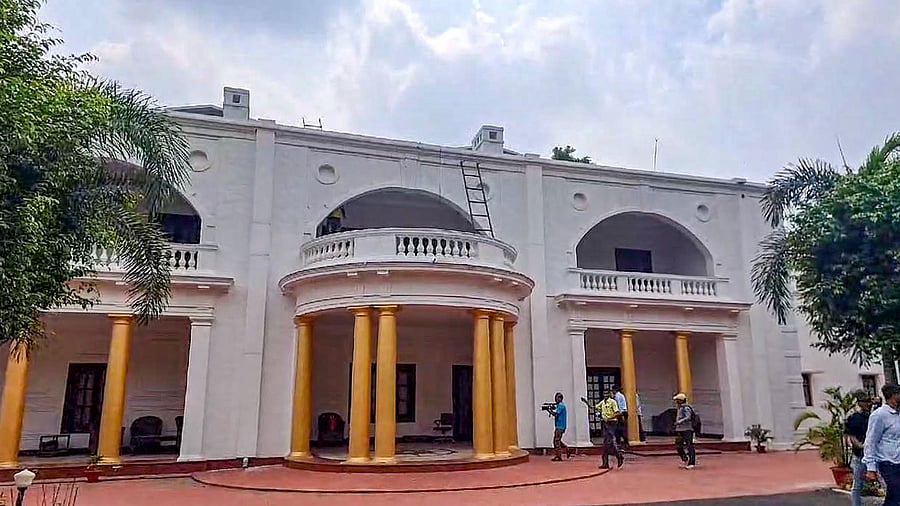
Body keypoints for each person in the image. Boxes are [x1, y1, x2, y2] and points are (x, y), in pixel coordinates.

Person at [864, 383, 900, 505]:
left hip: (899, 461)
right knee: (895, 495)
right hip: (887, 463)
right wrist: (871, 468)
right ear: (893, 396)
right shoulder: (879, 415)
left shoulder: (898, 414)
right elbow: (870, 441)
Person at [846, 389, 873, 506]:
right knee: (857, 485)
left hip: (875, 454)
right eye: (865, 401)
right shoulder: (854, 418)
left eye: (869, 401)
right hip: (860, 455)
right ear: (859, 403)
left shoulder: (874, 416)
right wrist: (861, 446)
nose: (868, 404)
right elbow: (851, 437)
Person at [595, 389, 625, 469]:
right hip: (605, 423)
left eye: (606, 393)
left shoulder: (612, 402)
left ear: (609, 394)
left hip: (612, 423)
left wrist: (609, 418)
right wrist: (586, 403)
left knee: (609, 442)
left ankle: (618, 456)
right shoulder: (602, 402)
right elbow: (595, 407)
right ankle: (606, 462)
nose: (605, 395)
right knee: (606, 443)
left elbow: (618, 413)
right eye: (604, 393)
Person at [673, 393, 696, 469]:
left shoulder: (686, 408)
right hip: (680, 429)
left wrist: (679, 421)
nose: (676, 401)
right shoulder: (680, 408)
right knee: (678, 445)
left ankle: (691, 462)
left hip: (687, 429)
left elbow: (688, 417)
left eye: (677, 400)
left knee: (689, 445)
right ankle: (685, 458)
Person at [548, 392, 573, 461]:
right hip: (560, 425)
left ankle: (558, 456)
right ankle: (567, 449)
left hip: (560, 426)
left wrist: (549, 410)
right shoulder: (560, 405)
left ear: (560, 398)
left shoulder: (561, 406)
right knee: (557, 440)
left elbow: (556, 414)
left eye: (557, 398)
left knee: (556, 441)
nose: (556, 399)